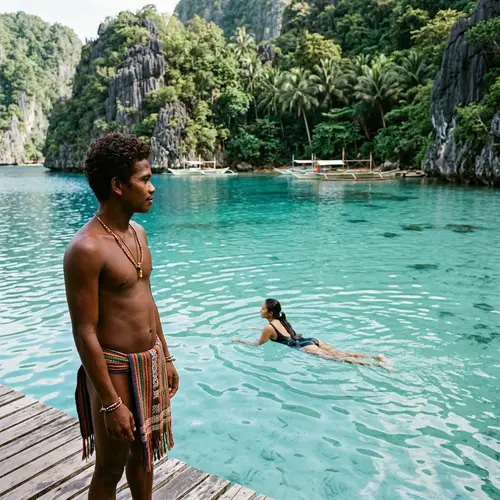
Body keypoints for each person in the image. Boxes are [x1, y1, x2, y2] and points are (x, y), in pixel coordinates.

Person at [64, 133, 179, 500]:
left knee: (144, 458)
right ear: (117, 186)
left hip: (149, 362)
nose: (153, 187)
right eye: (144, 179)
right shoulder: (86, 249)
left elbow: (146, 298)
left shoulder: (138, 233)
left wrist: (166, 354)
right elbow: (85, 332)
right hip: (114, 371)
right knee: (111, 467)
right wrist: (110, 401)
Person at [232, 298, 392, 369]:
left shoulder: (269, 328)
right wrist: (256, 329)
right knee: (341, 353)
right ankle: (377, 356)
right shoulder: (281, 320)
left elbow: (257, 344)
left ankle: (377, 365)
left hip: (303, 347)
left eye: (262, 308)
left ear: (270, 313)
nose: (260, 310)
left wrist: (239, 340)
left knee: (340, 359)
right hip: (311, 340)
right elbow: (280, 332)